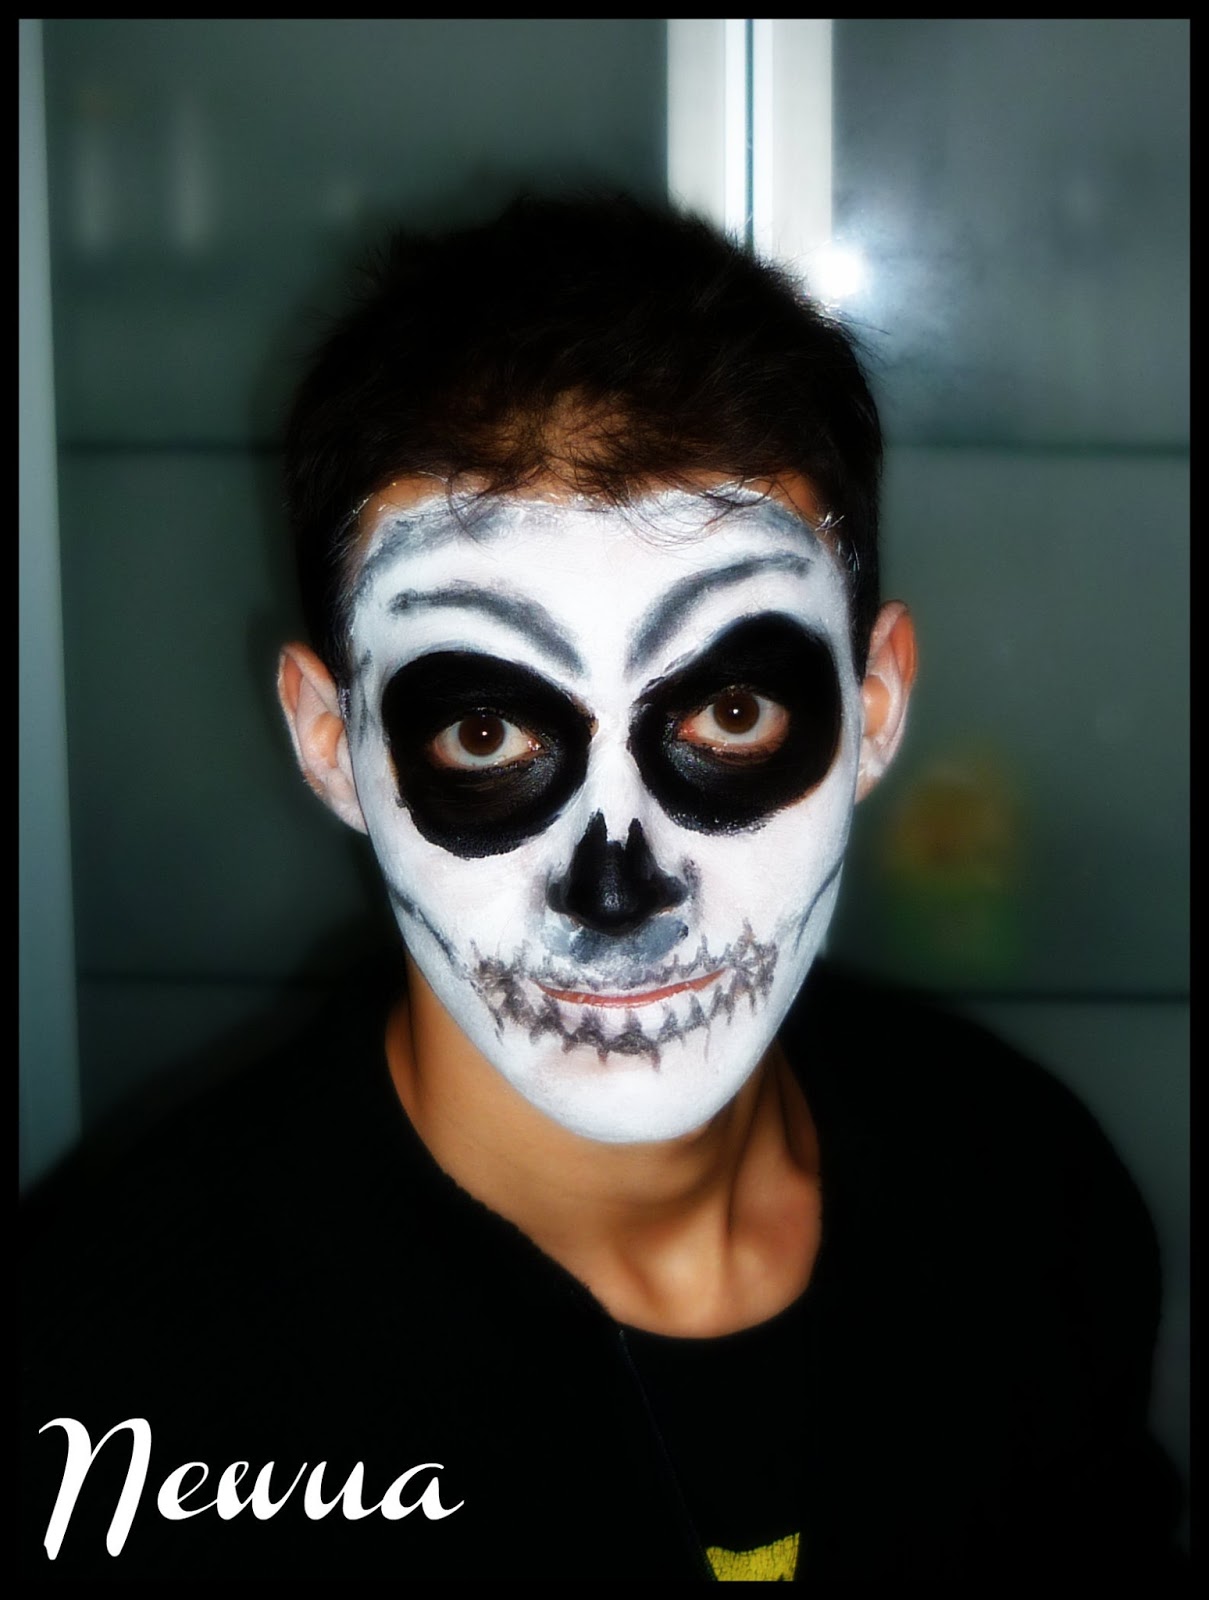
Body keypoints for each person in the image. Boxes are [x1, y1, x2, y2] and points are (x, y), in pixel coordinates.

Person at [21, 195, 1184, 1583]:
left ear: (873, 707)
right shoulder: (121, 1391)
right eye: (486, 735)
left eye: (731, 714)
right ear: (333, 746)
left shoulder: (1025, 1201)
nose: (620, 892)